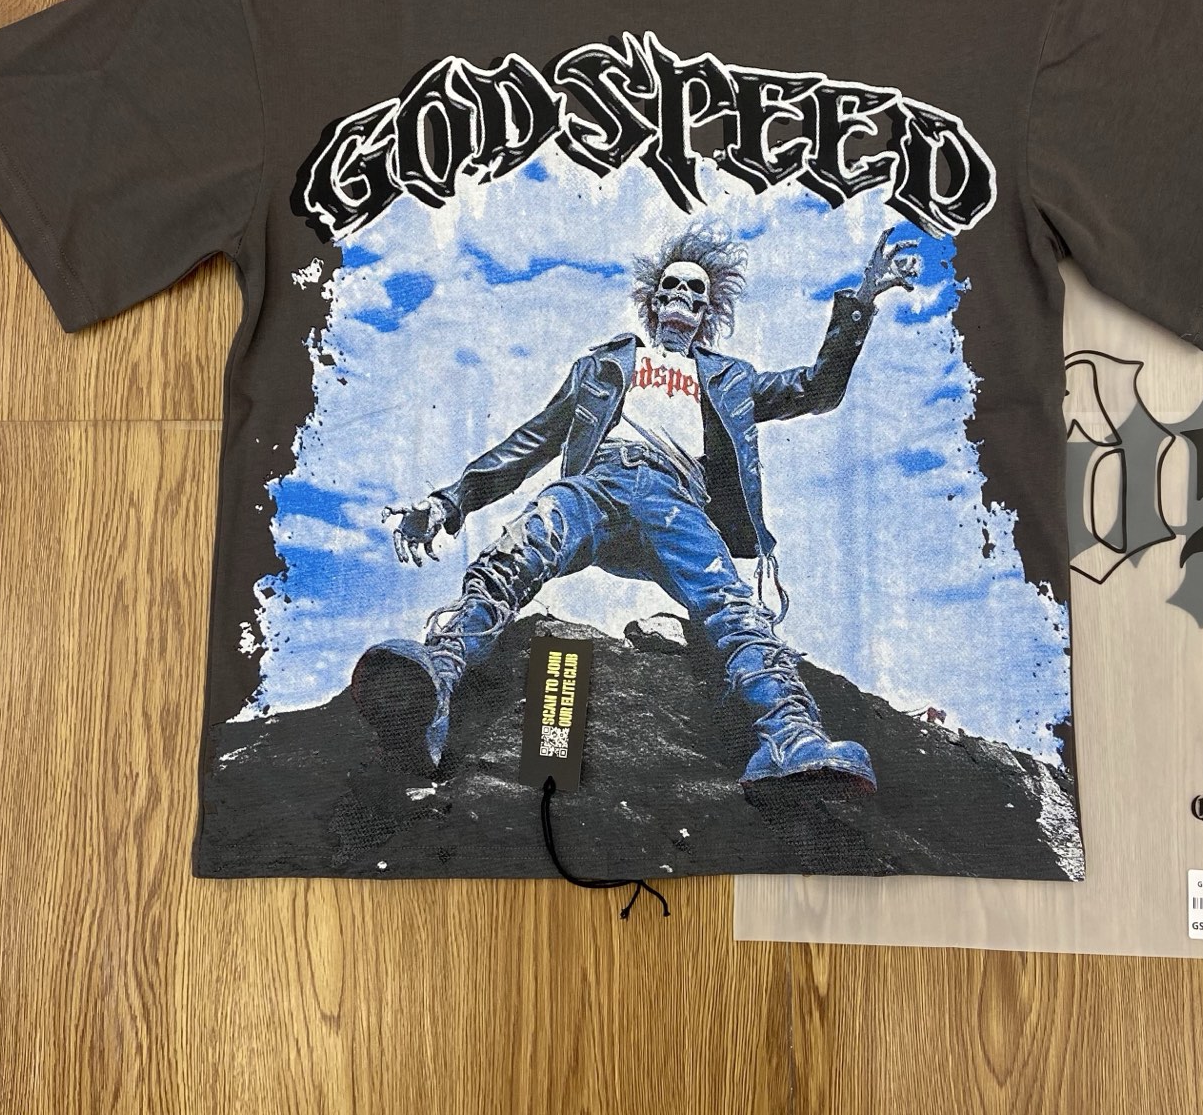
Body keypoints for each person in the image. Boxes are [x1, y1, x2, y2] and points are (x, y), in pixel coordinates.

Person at [373, 216, 920, 791]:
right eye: (670, 286)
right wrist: (449, 503)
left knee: (732, 605)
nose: (682, 294)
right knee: (517, 550)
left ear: (706, 311)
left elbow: (816, 389)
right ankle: (435, 679)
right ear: (653, 303)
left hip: (675, 500)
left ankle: (790, 736)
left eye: (695, 289)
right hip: (598, 485)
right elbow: (531, 442)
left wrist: (861, 303)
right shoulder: (604, 367)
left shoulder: (730, 379)